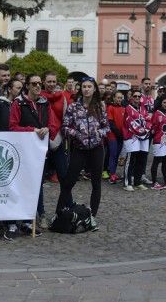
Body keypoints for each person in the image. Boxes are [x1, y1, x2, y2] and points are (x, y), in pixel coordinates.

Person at [9, 74, 60, 233]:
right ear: (28, 86)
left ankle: (29, 219)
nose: (38, 86)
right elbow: (12, 127)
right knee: (18, 186)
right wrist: (32, 131)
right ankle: (12, 219)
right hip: (22, 152)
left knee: (36, 186)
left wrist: (47, 129)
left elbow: (52, 125)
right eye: (34, 84)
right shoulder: (18, 103)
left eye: (39, 83)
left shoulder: (45, 104)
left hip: (39, 153)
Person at [60, 77, 109, 230]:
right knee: (68, 182)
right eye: (84, 86)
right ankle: (59, 213)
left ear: (94, 89)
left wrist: (98, 133)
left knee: (96, 184)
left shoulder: (100, 107)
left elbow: (106, 127)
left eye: (89, 86)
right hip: (79, 149)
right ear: (80, 89)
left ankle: (92, 217)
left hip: (97, 149)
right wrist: (77, 133)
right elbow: (65, 127)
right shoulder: (73, 107)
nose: (86, 89)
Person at [0, 78, 23, 241]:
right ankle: (1, 219)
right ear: (9, 89)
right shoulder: (0, 105)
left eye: (21, 88)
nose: (19, 90)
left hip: (15, 151)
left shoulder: (18, 106)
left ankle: (12, 221)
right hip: (2, 152)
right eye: (17, 88)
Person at [41, 71, 72, 185]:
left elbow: (65, 116)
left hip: (58, 136)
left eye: (54, 81)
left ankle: (68, 202)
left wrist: (64, 133)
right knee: (40, 174)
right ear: (44, 82)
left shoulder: (62, 97)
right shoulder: (39, 96)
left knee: (63, 173)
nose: (51, 84)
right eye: (49, 81)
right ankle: (38, 203)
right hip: (41, 136)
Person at [122, 89, 152, 191]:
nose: (137, 98)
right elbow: (130, 123)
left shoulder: (143, 108)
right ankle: (127, 183)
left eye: (139, 96)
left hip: (144, 137)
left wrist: (146, 129)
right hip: (132, 137)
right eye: (135, 96)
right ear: (131, 97)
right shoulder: (128, 108)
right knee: (131, 159)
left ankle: (138, 181)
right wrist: (141, 131)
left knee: (141, 159)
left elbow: (148, 120)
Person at [150, 96, 166, 190]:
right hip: (159, 141)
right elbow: (153, 127)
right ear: (161, 103)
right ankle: (154, 182)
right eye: (164, 102)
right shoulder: (157, 113)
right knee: (156, 161)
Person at [106, 91, 125, 184]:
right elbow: (111, 122)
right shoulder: (110, 107)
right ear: (114, 98)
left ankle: (113, 172)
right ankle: (112, 174)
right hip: (113, 135)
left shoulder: (123, 108)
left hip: (121, 136)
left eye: (120, 98)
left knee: (117, 155)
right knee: (113, 154)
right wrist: (119, 134)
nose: (119, 99)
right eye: (117, 97)